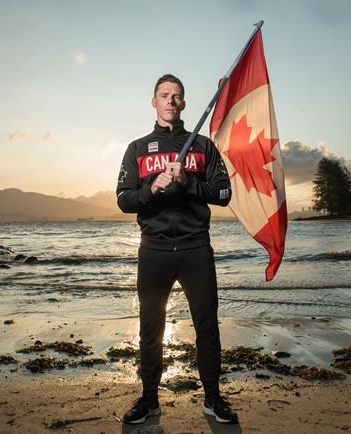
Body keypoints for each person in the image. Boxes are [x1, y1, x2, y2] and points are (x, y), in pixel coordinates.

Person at [116, 74, 237, 424]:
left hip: (195, 248)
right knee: (150, 328)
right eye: (164, 95)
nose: (170, 101)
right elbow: (123, 200)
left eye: (177, 95)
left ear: (184, 103)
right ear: (153, 102)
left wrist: (188, 181)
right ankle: (149, 400)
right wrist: (152, 188)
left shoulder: (203, 146)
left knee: (207, 325)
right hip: (153, 251)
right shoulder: (137, 149)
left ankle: (212, 398)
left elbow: (224, 194)